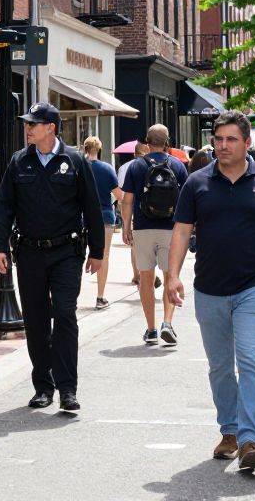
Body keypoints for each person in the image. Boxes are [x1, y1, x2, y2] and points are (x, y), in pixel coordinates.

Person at [168, 110, 255, 473]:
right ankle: (228, 430)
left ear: (246, 143)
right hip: (209, 289)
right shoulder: (196, 182)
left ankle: (249, 440)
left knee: (251, 360)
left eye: (231, 139)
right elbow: (181, 230)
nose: (222, 146)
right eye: (218, 139)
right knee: (220, 366)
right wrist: (173, 275)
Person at [0, 103, 104, 411]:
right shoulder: (18, 162)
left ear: (51, 127)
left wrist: (98, 251)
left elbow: (92, 208)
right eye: (27, 123)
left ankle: (68, 389)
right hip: (28, 253)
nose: (28, 128)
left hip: (67, 252)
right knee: (37, 321)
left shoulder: (76, 161)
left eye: (34, 124)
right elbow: (3, 207)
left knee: (65, 314)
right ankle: (44, 385)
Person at [121, 124, 188, 345]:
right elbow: (186, 202)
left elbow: (128, 200)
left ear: (146, 142)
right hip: (171, 229)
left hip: (143, 228)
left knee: (146, 279)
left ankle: (150, 329)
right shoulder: (178, 166)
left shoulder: (136, 166)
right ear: (167, 142)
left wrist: (126, 226)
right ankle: (167, 322)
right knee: (170, 277)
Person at [84, 136, 122, 310]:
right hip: (105, 217)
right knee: (103, 256)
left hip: (82, 218)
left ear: (85, 149)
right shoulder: (107, 169)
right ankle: (100, 297)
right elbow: (119, 196)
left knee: (76, 256)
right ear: (98, 150)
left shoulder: (79, 167)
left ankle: (70, 297)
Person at [117, 142, 152, 287]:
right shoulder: (149, 165)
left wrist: (125, 223)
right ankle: (147, 273)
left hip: (127, 206)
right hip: (145, 209)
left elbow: (121, 194)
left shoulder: (124, 167)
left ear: (133, 153)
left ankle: (137, 274)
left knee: (133, 245)